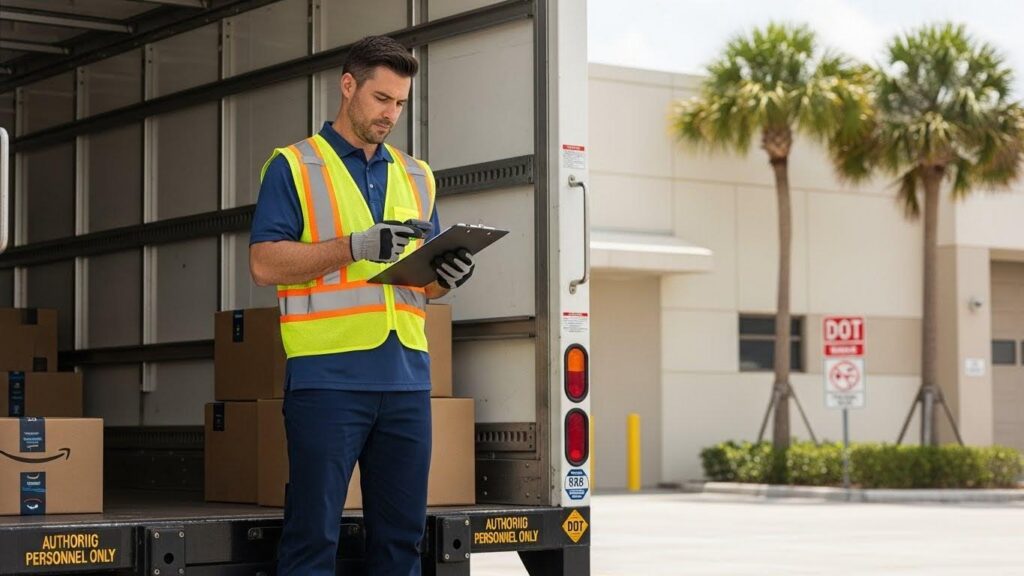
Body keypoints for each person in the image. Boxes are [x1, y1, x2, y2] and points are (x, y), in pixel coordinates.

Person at [249, 35, 475, 576]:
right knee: (313, 538)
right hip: (328, 380)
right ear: (347, 86)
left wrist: (448, 276)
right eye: (381, 99)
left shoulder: (417, 174)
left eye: (399, 103)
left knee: (401, 541)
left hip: (406, 380)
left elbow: (421, 284)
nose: (391, 114)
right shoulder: (294, 166)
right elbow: (264, 264)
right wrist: (353, 246)